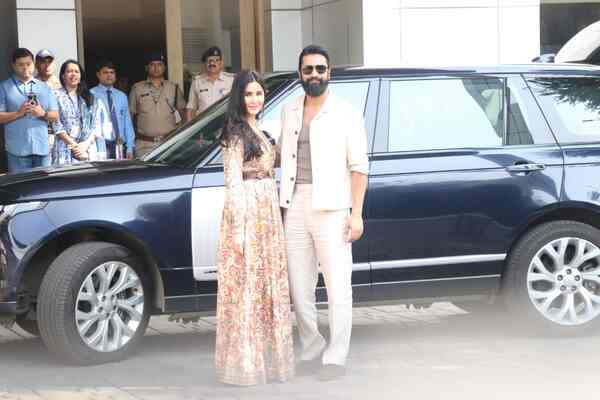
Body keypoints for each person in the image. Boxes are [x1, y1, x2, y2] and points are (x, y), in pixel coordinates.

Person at [278, 45, 369, 381]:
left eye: (320, 69)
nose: (314, 74)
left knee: (337, 285)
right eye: (308, 69)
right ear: (299, 73)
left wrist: (356, 213)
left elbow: (359, 167)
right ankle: (312, 347)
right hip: (295, 202)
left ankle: (336, 355)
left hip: (332, 206)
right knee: (299, 286)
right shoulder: (289, 110)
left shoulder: (346, 112)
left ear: (329, 72)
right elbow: (281, 156)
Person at [215, 70, 295, 386]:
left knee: (267, 285)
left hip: (267, 211)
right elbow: (232, 181)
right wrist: (238, 230)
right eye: (249, 94)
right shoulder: (235, 133)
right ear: (239, 97)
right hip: (248, 212)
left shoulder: (259, 129)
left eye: (259, 94)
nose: (255, 99)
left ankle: (270, 362)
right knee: (248, 285)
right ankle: (245, 364)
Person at [0, 48, 58, 173]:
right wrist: (18, 113)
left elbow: (55, 115)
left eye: (28, 64)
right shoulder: (4, 87)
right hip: (17, 150)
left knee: (44, 189)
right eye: (21, 64)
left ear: (33, 64)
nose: (25, 68)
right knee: (21, 189)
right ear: (13, 66)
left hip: (42, 149)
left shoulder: (44, 87)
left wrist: (43, 113)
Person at [129, 51, 185, 157]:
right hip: (144, 144)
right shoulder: (137, 88)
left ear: (164, 67)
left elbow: (184, 115)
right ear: (147, 68)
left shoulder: (173, 87)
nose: (156, 68)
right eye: (152, 65)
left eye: (159, 64)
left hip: (169, 143)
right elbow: (130, 116)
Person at [52, 60, 107, 165]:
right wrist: (75, 146)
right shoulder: (55, 95)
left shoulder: (90, 97)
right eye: (69, 71)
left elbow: (96, 125)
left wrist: (85, 145)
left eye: (76, 71)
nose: (73, 74)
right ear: (63, 76)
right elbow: (56, 125)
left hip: (88, 149)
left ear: (81, 76)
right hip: (65, 148)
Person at [90, 60, 135, 159]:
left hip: (120, 145)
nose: (109, 75)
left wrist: (130, 148)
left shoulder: (121, 96)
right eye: (105, 72)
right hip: (100, 146)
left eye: (112, 72)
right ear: (98, 74)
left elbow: (127, 123)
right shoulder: (91, 94)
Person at [186, 46, 233, 121]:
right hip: (204, 124)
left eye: (216, 60)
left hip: (226, 123)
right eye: (209, 60)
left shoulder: (231, 80)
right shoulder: (197, 82)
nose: (212, 63)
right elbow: (191, 108)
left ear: (221, 63)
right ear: (205, 64)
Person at [35, 48, 61, 162]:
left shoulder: (62, 84)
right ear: (36, 64)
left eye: (49, 62)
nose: (47, 65)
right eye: (43, 62)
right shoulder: (31, 85)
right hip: (40, 134)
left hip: (61, 136)